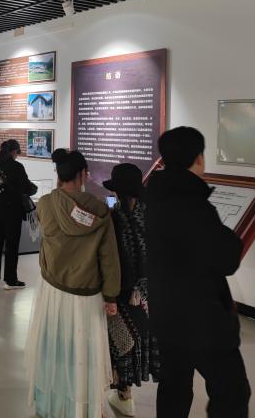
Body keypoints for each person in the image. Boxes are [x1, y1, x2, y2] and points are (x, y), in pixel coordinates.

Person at [145, 127, 250, 418]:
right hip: (201, 318)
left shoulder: (156, 194)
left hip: (166, 311)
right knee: (231, 390)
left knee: (174, 386)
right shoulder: (192, 203)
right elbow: (227, 260)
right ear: (198, 158)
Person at [25, 149, 120, 418]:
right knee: (84, 350)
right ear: (82, 175)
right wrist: (111, 296)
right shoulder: (99, 211)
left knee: (53, 345)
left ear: (58, 174)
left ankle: (51, 404)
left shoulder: (45, 204)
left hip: (52, 289)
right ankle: (81, 409)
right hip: (86, 293)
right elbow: (109, 258)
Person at [103, 163, 160, 416]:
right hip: (151, 293)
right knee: (143, 341)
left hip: (123, 291)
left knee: (121, 343)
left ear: (117, 190)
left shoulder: (114, 217)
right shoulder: (153, 214)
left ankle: (124, 395)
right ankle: (128, 395)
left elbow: (110, 258)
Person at [0, 139, 38, 289]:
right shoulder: (17, 167)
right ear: (14, 151)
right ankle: (10, 280)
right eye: (17, 152)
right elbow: (26, 187)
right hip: (13, 211)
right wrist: (33, 189)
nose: (17, 155)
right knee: (12, 245)